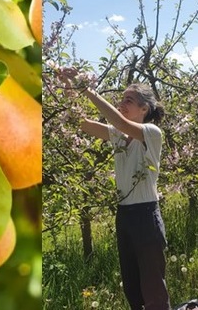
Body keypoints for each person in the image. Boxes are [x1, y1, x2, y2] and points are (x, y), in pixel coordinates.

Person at [60, 69, 169, 310]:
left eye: (128, 100)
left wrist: (84, 86)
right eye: (121, 100)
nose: (121, 104)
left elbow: (118, 121)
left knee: (153, 290)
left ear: (144, 109)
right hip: (125, 216)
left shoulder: (151, 133)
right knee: (132, 287)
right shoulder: (119, 136)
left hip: (146, 216)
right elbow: (79, 123)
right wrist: (68, 86)